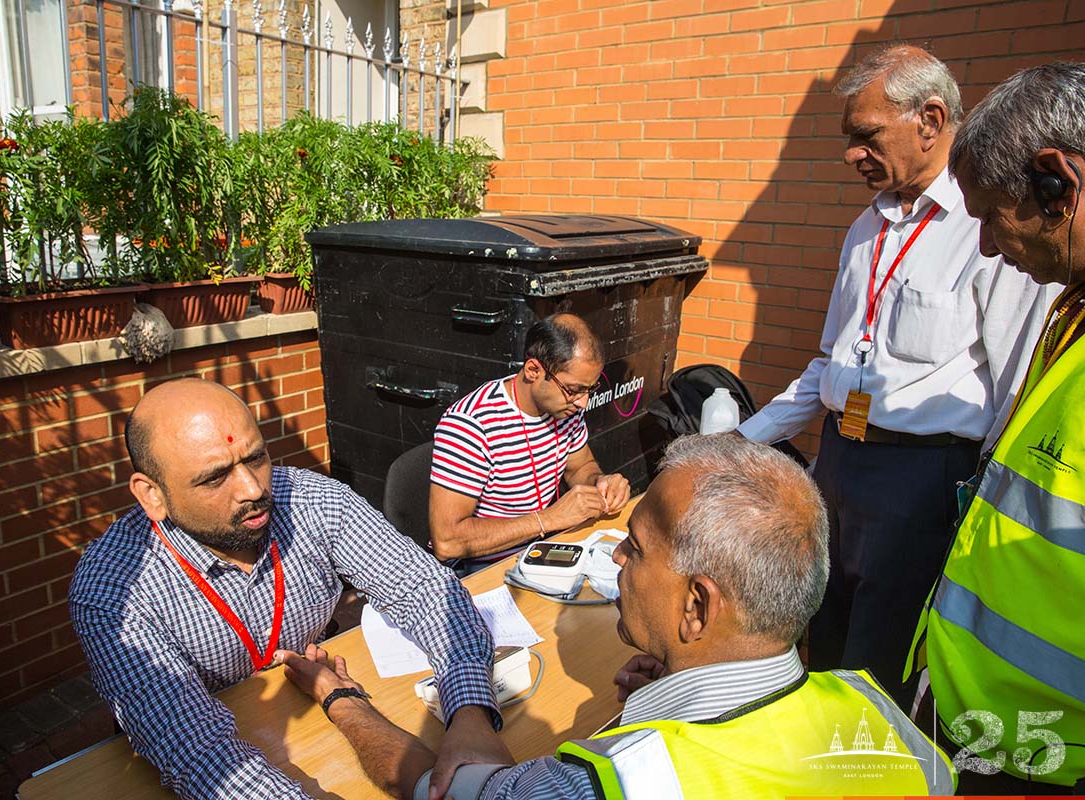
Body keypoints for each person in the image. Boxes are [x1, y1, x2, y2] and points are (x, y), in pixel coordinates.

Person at [279, 434, 955, 800]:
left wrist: (341, 698)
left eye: (634, 548)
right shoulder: (881, 713)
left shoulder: (616, 779)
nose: (619, 561)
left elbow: (444, 787)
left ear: (697, 606)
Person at [736, 45, 1057, 702]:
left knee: (878, 664)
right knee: (817, 634)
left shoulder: (989, 225)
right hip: (838, 466)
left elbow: (1014, 387)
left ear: (931, 120)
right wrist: (741, 441)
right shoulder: (864, 229)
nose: (852, 155)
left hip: (921, 481)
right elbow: (828, 363)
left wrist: (974, 504)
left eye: (866, 136)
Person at [68, 378, 510, 800]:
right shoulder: (112, 590)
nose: (254, 488)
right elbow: (197, 752)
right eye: (214, 478)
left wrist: (470, 711)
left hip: (318, 714)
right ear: (152, 495)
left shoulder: (312, 500)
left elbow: (423, 589)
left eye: (256, 458)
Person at [906, 61, 1085, 793]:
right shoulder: (1071, 310)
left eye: (988, 215)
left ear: (1058, 184)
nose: (982, 247)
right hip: (979, 727)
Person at [428, 313, 630, 564]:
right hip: (481, 570)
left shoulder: (563, 408)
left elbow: (581, 466)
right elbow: (448, 542)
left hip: (540, 554)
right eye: (574, 389)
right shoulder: (472, 425)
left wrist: (600, 483)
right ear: (534, 370)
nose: (583, 402)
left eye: (590, 389)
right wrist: (549, 519)